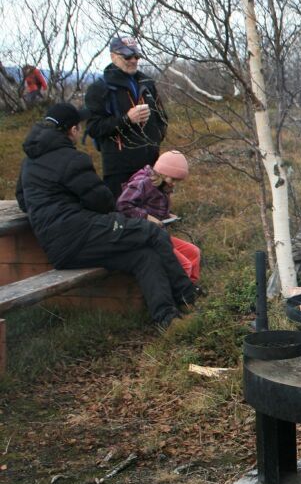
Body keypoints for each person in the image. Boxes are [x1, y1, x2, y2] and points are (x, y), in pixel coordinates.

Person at [16, 103, 195, 329]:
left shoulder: (29, 162)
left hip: (59, 249)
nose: (80, 130)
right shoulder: (72, 159)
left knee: (143, 256)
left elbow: (23, 200)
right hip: (81, 234)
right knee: (152, 232)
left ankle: (167, 319)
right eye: (79, 127)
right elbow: (103, 202)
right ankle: (189, 297)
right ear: (72, 130)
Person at [84, 36, 168, 198]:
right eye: (127, 56)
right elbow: (94, 128)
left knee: (155, 213)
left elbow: (162, 117)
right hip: (119, 168)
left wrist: (156, 138)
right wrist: (126, 119)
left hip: (150, 162)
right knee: (126, 215)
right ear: (113, 56)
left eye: (136, 56)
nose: (133, 60)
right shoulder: (99, 89)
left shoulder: (147, 83)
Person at [116, 150, 202, 285]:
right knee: (184, 265)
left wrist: (168, 215)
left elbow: (153, 207)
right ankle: (179, 296)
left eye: (177, 181)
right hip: (142, 235)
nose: (173, 183)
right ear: (161, 172)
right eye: (172, 179)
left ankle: (191, 288)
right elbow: (123, 204)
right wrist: (148, 218)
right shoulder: (142, 182)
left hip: (158, 235)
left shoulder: (162, 185)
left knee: (193, 252)